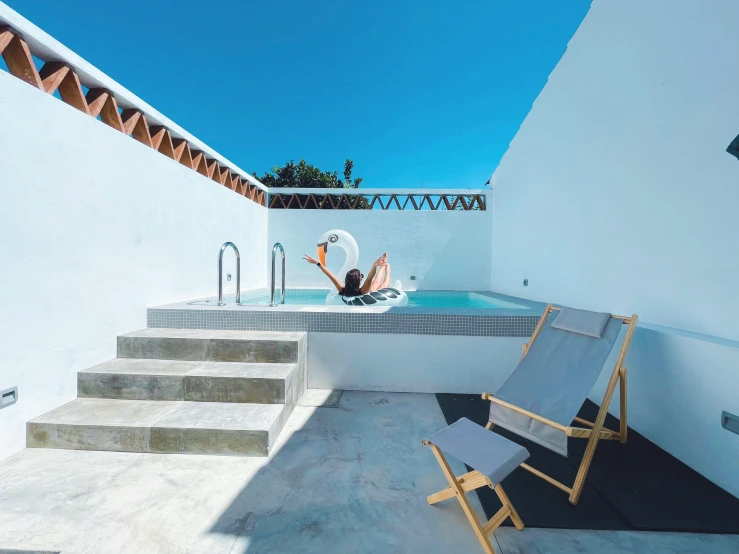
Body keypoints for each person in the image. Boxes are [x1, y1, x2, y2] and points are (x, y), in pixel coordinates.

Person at [303, 253, 391, 297]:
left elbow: (330, 275)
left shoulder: (342, 289)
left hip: (368, 290)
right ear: (358, 281)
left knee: (376, 281)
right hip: (370, 291)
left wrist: (318, 263)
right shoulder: (363, 291)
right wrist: (374, 265)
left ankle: (384, 264)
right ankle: (387, 270)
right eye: (361, 276)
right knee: (380, 283)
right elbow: (370, 277)